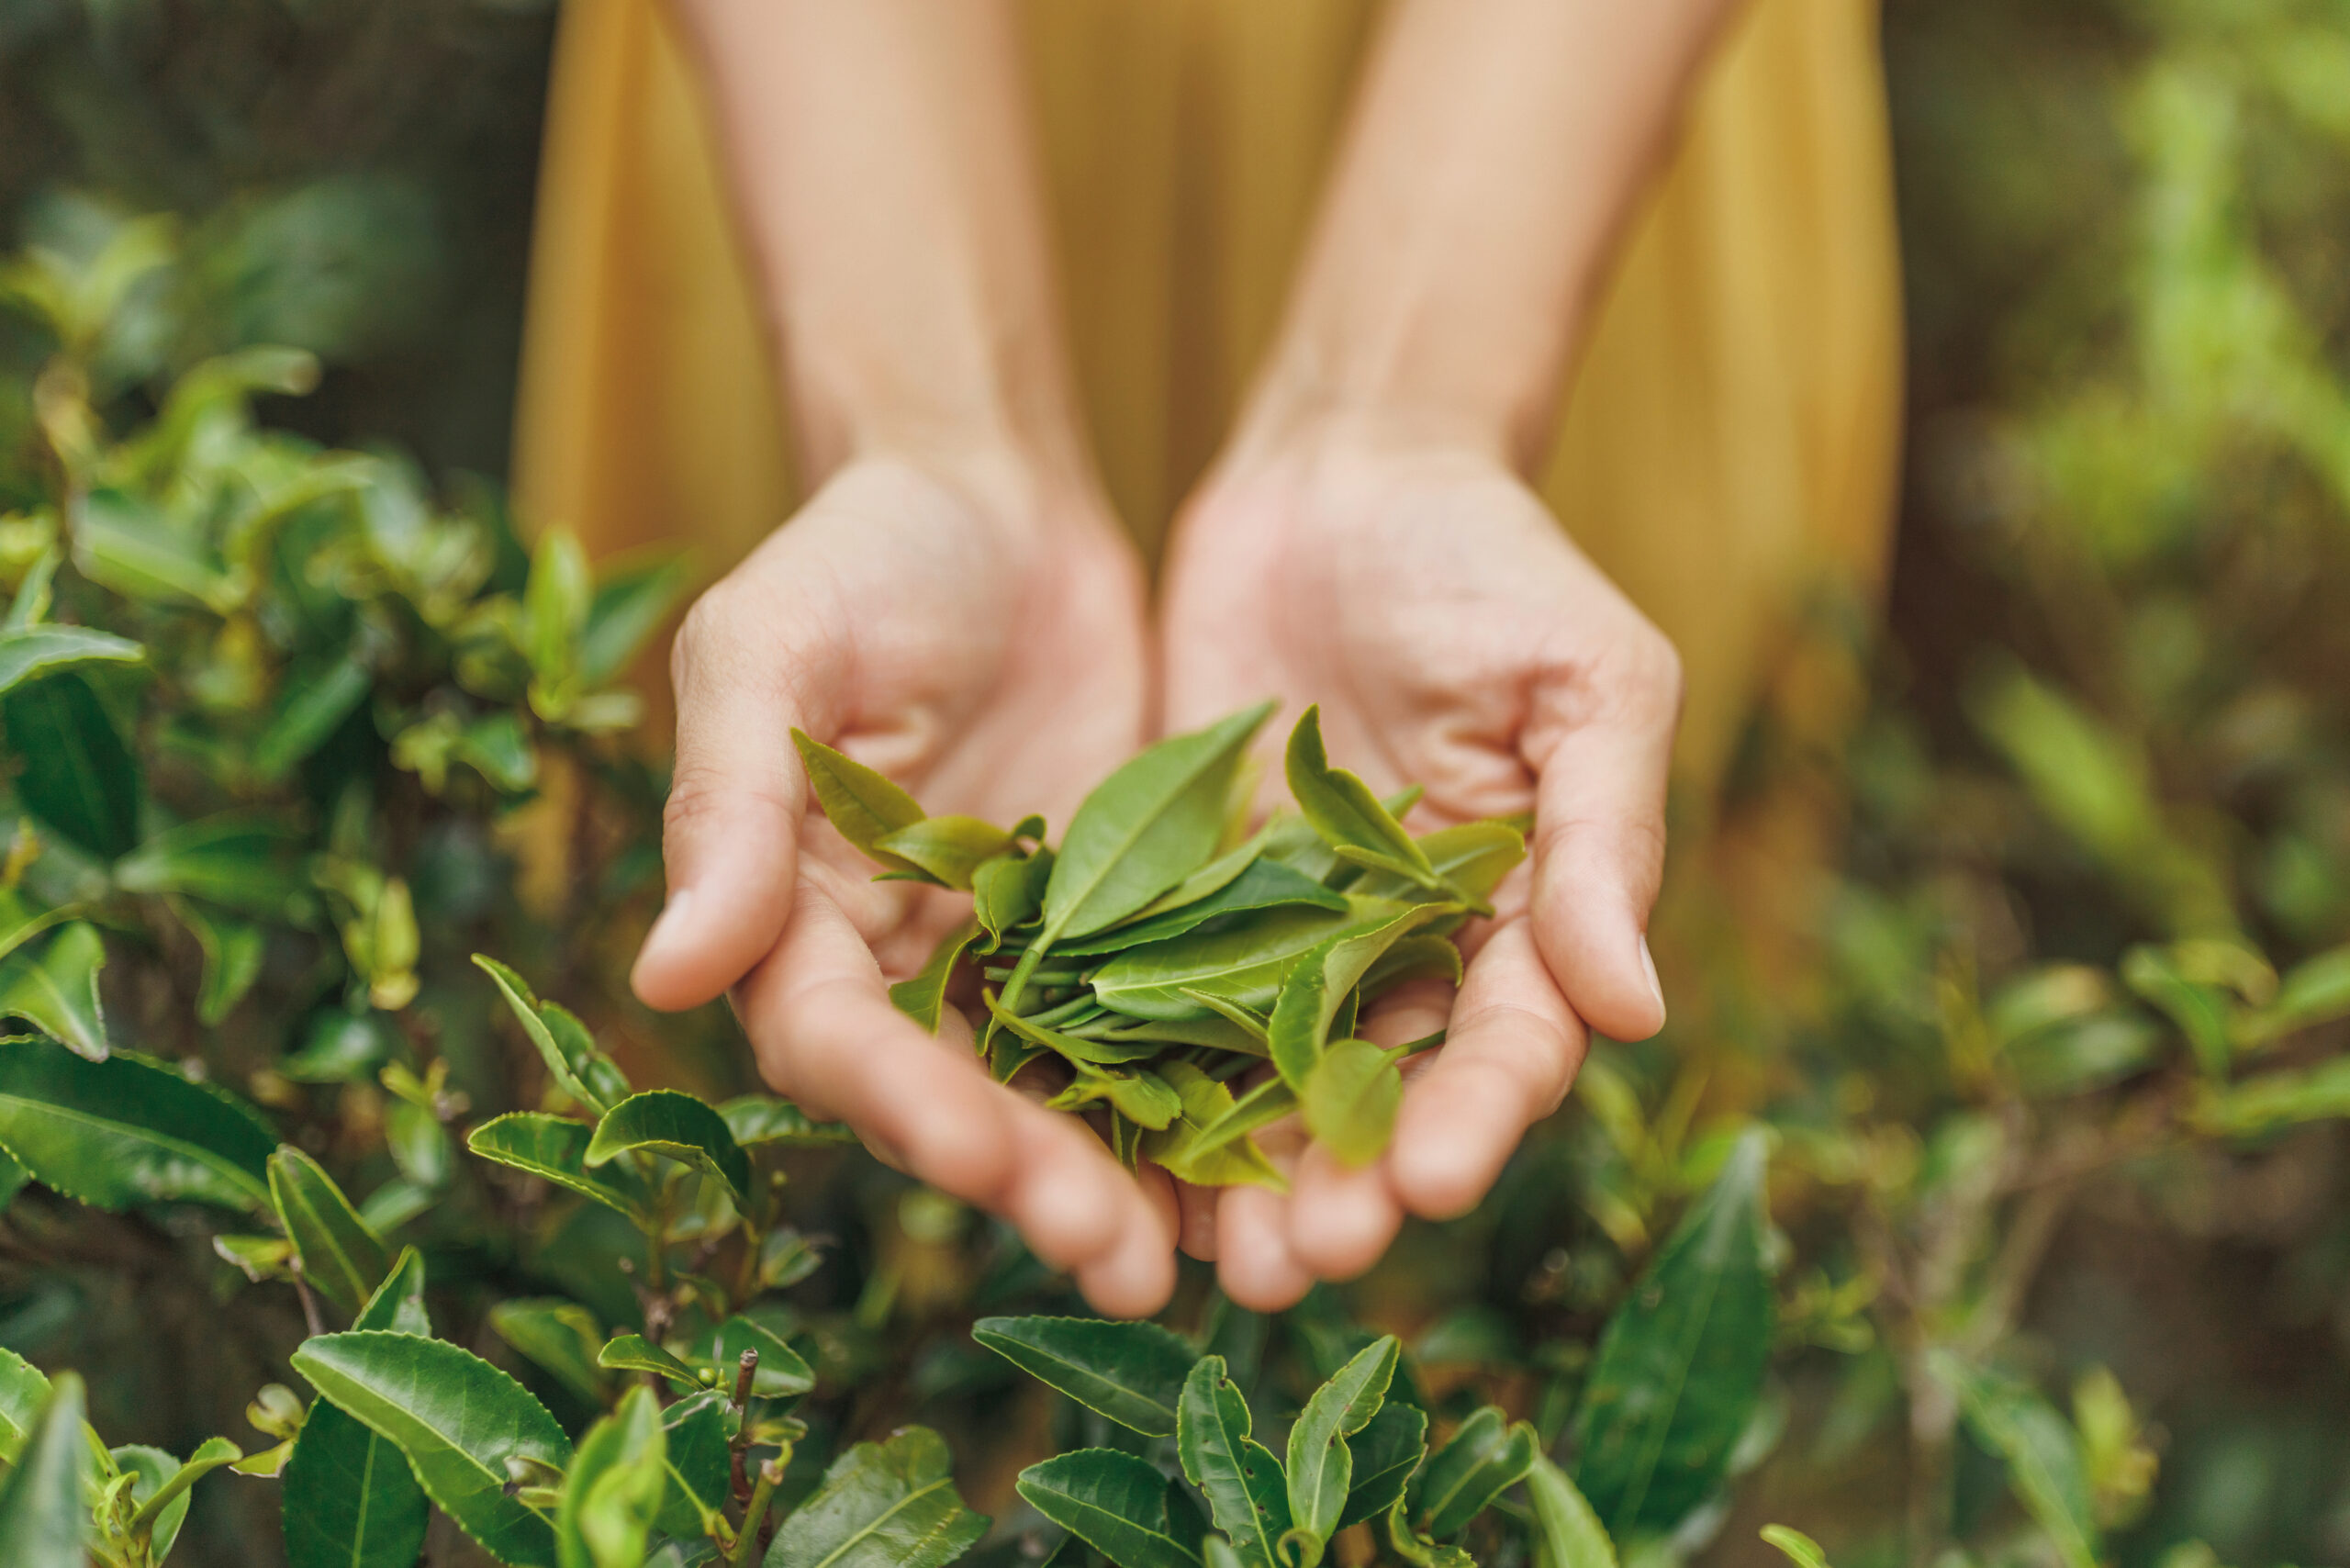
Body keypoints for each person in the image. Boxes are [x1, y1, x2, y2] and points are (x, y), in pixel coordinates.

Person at [512, 0, 1902, 1317]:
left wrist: (1415, 412)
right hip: (843, 119)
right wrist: (930, 429)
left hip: (1552, 117)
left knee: (1564, 1249)